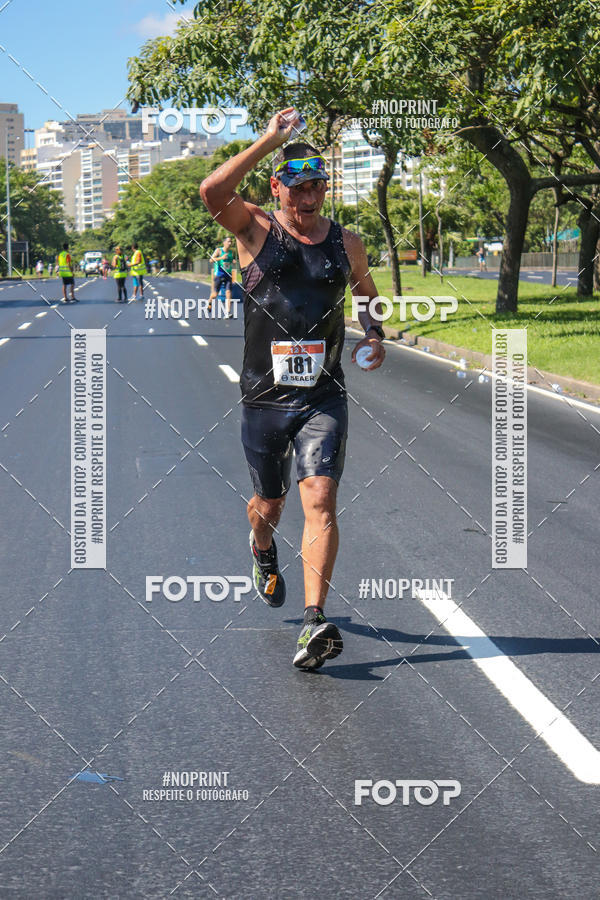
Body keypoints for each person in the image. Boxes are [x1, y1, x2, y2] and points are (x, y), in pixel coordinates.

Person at [200, 109, 386, 670]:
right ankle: (261, 547)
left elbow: (367, 295)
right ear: (277, 187)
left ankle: (312, 623)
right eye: (298, 186)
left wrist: (375, 331)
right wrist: (269, 140)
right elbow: (212, 189)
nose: (309, 197)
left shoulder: (346, 243)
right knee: (270, 505)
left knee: (320, 497)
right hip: (264, 395)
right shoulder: (254, 228)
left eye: (317, 186)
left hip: (323, 393)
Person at [208, 235, 236, 317]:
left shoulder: (231, 253)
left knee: (228, 292)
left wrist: (233, 261)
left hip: (228, 275)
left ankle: (227, 312)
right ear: (224, 242)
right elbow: (211, 260)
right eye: (228, 241)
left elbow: (230, 262)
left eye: (231, 242)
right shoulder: (219, 250)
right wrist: (221, 258)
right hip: (219, 275)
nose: (230, 243)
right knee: (215, 294)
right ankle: (209, 302)